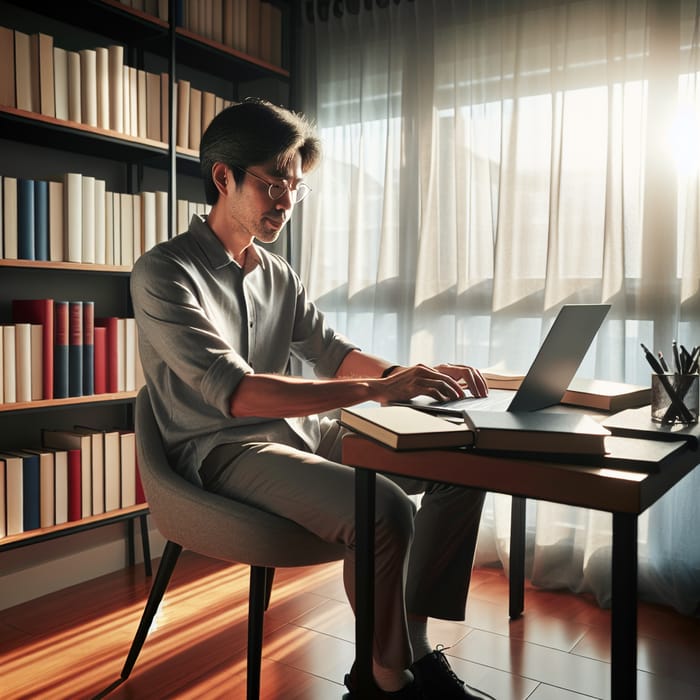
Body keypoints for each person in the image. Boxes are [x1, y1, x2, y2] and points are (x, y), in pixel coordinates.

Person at [131, 97, 489, 700]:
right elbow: (239, 395)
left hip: (299, 433)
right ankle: (389, 679)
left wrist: (412, 374)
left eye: (296, 187)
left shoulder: (277, 274)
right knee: (386, 509)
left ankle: (409, 650)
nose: (287, 202)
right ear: (223, 176)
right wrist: (380, 390)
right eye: (274, 184)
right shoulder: (163, 273)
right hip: (222, 451)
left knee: (460, 462)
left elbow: (332, 351)